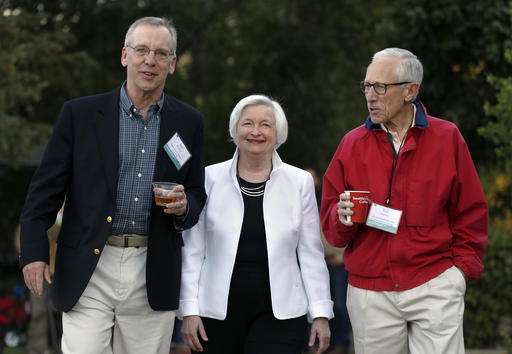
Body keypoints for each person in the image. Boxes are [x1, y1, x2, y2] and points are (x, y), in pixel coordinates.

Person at [19, 16, 206, 354]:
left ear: (173, 64)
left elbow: (196, 193)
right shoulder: (80, 115)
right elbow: (43, 193)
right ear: (124, 56)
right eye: (142, 50)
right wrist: (33, 253)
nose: (150, 60)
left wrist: (185, 206)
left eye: (161, 53)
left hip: (153, 267)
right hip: (88, 265)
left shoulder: (189, 121)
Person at [320, 48, 488, 354]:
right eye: (367, 86)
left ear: (411, 90)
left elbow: (471, 211)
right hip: (370, 291)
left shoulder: (447, 138)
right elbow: (332, 227)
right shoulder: (351, 144)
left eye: (380, 87)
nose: (370, 96)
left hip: (434, 283)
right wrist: (341, 217)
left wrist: (459, 273)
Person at [179, 95, 333, 354]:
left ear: (278, 133)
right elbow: (193, 250)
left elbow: (311, 255)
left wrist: (320, 313)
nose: (256, 132)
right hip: (216, 313)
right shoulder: (208, 178)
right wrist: (189, 310)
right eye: (248, 123)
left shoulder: (300, 182)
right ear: (235, 130)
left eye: (265, 125)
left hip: (282, 314)